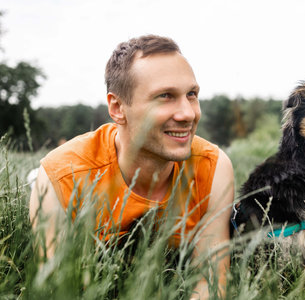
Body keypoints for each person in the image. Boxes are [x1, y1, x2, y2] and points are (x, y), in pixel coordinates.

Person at [29, 35, 234, 299]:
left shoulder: (213, 168)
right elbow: (57, 290)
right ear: (117, 108)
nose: (188, 113)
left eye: (191, 95)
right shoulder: (61, 178)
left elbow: (210, 284)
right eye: (165, 96)